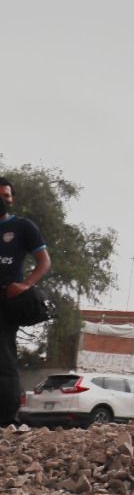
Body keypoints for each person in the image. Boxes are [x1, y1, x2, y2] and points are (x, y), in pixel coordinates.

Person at [0, 178, 53, 426]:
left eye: (7, 195)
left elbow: (44, 261)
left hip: (6, 299)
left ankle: (7, 417)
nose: (3, 199)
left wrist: (26, 284)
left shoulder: (22, 227)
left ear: (12, 199)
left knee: (4, 357)